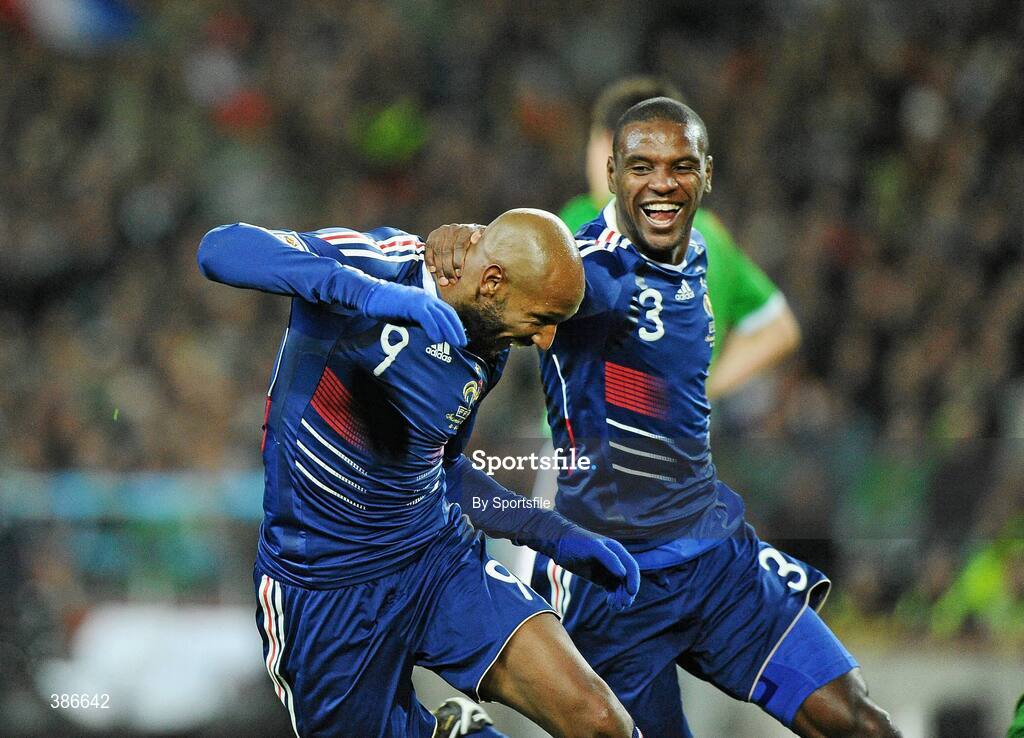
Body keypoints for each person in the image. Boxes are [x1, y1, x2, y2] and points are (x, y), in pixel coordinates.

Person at [426, 100, 900, 737]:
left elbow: (774, 328)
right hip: (614, 584)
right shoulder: (586, 272)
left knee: (860, 722)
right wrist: (457, 245)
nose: (661, 183)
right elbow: (490, 288)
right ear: (614, 172)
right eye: (641, 166)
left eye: (680, 166)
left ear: (707, 174)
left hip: (718, 561)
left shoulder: (703, 254)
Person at [196, 209, 645, 738]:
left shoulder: (489, 345)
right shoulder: (381, 264)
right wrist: (364, 295)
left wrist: (555, 536)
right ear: (493, 282)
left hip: (434, 561)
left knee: (598, 721)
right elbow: (219, 248)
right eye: (543, 317)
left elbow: (444, 468)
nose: (546, 340)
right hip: (324, 592)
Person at [559, 76, 800, 399]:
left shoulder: (584, 218)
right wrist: (699, 391)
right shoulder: (709, 234)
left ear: (608, 144)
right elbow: (778, 329)